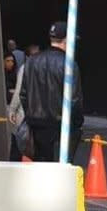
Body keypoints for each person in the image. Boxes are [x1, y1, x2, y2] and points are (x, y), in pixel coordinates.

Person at [19, 21, 83, 163]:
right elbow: (75, 100)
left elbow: (23, 95)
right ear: (66, 40)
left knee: (39, 170)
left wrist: (30, 116)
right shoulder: (68, 64)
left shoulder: (31, 62)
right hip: (60, 127)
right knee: (60, 171)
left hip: (35, 127)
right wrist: (77, 124)